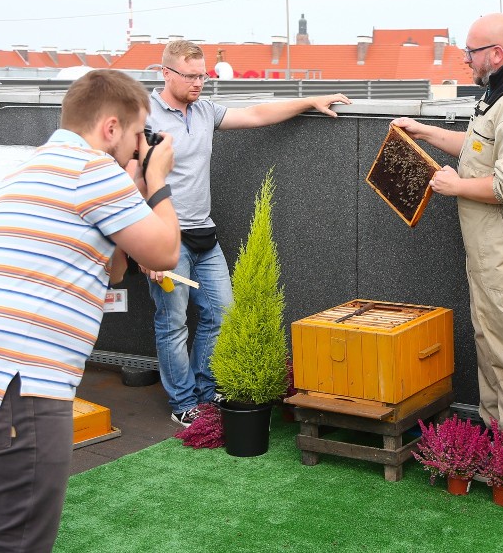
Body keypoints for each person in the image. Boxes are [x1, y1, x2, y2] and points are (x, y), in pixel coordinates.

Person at [0, 69, 181, 552]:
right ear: (110, 128)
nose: (138, 147)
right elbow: (165, 252)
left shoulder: (23, 173)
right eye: (137, 135)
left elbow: (112, 271)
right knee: (20, 542)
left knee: (2, 530)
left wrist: (128, 185)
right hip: (20, 385)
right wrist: (156, 181)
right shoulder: (93, 172)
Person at [144, 39, 350, 427]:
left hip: (203, 235)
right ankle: (183, 402)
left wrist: (309, 101)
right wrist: (145, 251)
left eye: (202, 75)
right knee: (172, 322)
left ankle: (206, 392)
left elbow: (256, 114)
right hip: (164, 239)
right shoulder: (146, 117)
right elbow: (132, 183)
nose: (199, 83)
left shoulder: (204, 111)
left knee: (222, 313)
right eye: (190, 76)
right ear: (166, 73)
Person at [392, 13, 503, 434]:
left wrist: (456, 186)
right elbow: (477, 149)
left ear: (497, 53)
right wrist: (426, 132)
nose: (465, 61)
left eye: (470, 52)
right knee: (490, 343)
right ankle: (496, 442)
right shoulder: (501, 94)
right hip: (495, 251)